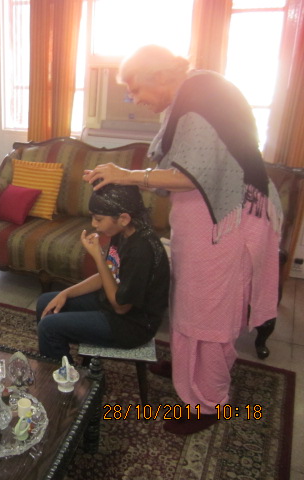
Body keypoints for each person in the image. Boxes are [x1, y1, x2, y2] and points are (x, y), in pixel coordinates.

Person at [83, 45, 282, 435]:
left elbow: (189, 176)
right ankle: (188, 368)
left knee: (210, 314)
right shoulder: (192, 95)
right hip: (211, 224)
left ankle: (209, 402)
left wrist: (126, 174)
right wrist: (126, 175)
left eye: (136, 88)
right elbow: (187, 168)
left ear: (160, 76)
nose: (134, 98)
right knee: (191, 304)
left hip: (225, 227)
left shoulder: (198, 98)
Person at [36, 183, 170, 362]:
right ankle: (56, 363)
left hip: (131, 325)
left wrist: (98, 257)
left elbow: (121, 307)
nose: (94, 224)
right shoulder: (122, 232)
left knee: (48, 327)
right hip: (111, 303)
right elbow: (106, 275)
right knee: (46, 302)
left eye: (98, 219)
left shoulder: (141, 250)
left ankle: (65, 378)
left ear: (123, 218)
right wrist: (65, 293)